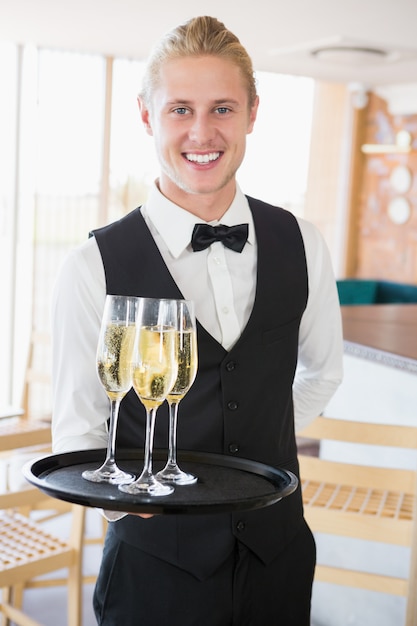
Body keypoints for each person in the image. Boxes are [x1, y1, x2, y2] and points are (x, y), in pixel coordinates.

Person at [51, 15, 343, 626]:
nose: (202, 131)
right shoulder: (91, 266)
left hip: (279, 558)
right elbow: (80, 430)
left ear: (253, 113)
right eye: (180, 108)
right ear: (146, 116)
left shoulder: (304, 242)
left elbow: (323, 371)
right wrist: (128, 508)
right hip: (155, 572)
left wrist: (261, 441)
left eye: (223, 108)